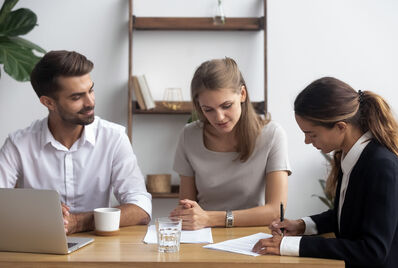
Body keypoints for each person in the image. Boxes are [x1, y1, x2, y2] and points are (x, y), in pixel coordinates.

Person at [252, 77, 398, 268]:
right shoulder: (351, 156)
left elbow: (372, 251)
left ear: (340, 127)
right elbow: (347, 216)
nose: (306, 141)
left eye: (311, 134)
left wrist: (290, 245)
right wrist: (303, 225)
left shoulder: (381, 166)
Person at [0, 50, 152, 234]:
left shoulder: (113, 138)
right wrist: (37, 212)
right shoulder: (18, 144)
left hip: (99, 250)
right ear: (48, 103)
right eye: (76, 97)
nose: (90, 102)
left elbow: (141, 208)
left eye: (91, 90)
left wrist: (79, 222)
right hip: (39, 249)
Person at [170, 57, 291, 230]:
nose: (219, 117)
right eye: (208, 110)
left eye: (226, 106)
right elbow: (187, 206)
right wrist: (192, 217)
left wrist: (211, 218)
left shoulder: (272, 135)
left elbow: (275, 211)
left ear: (242, 94)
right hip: (202, 235)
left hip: (252, 235)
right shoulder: (188, 135)